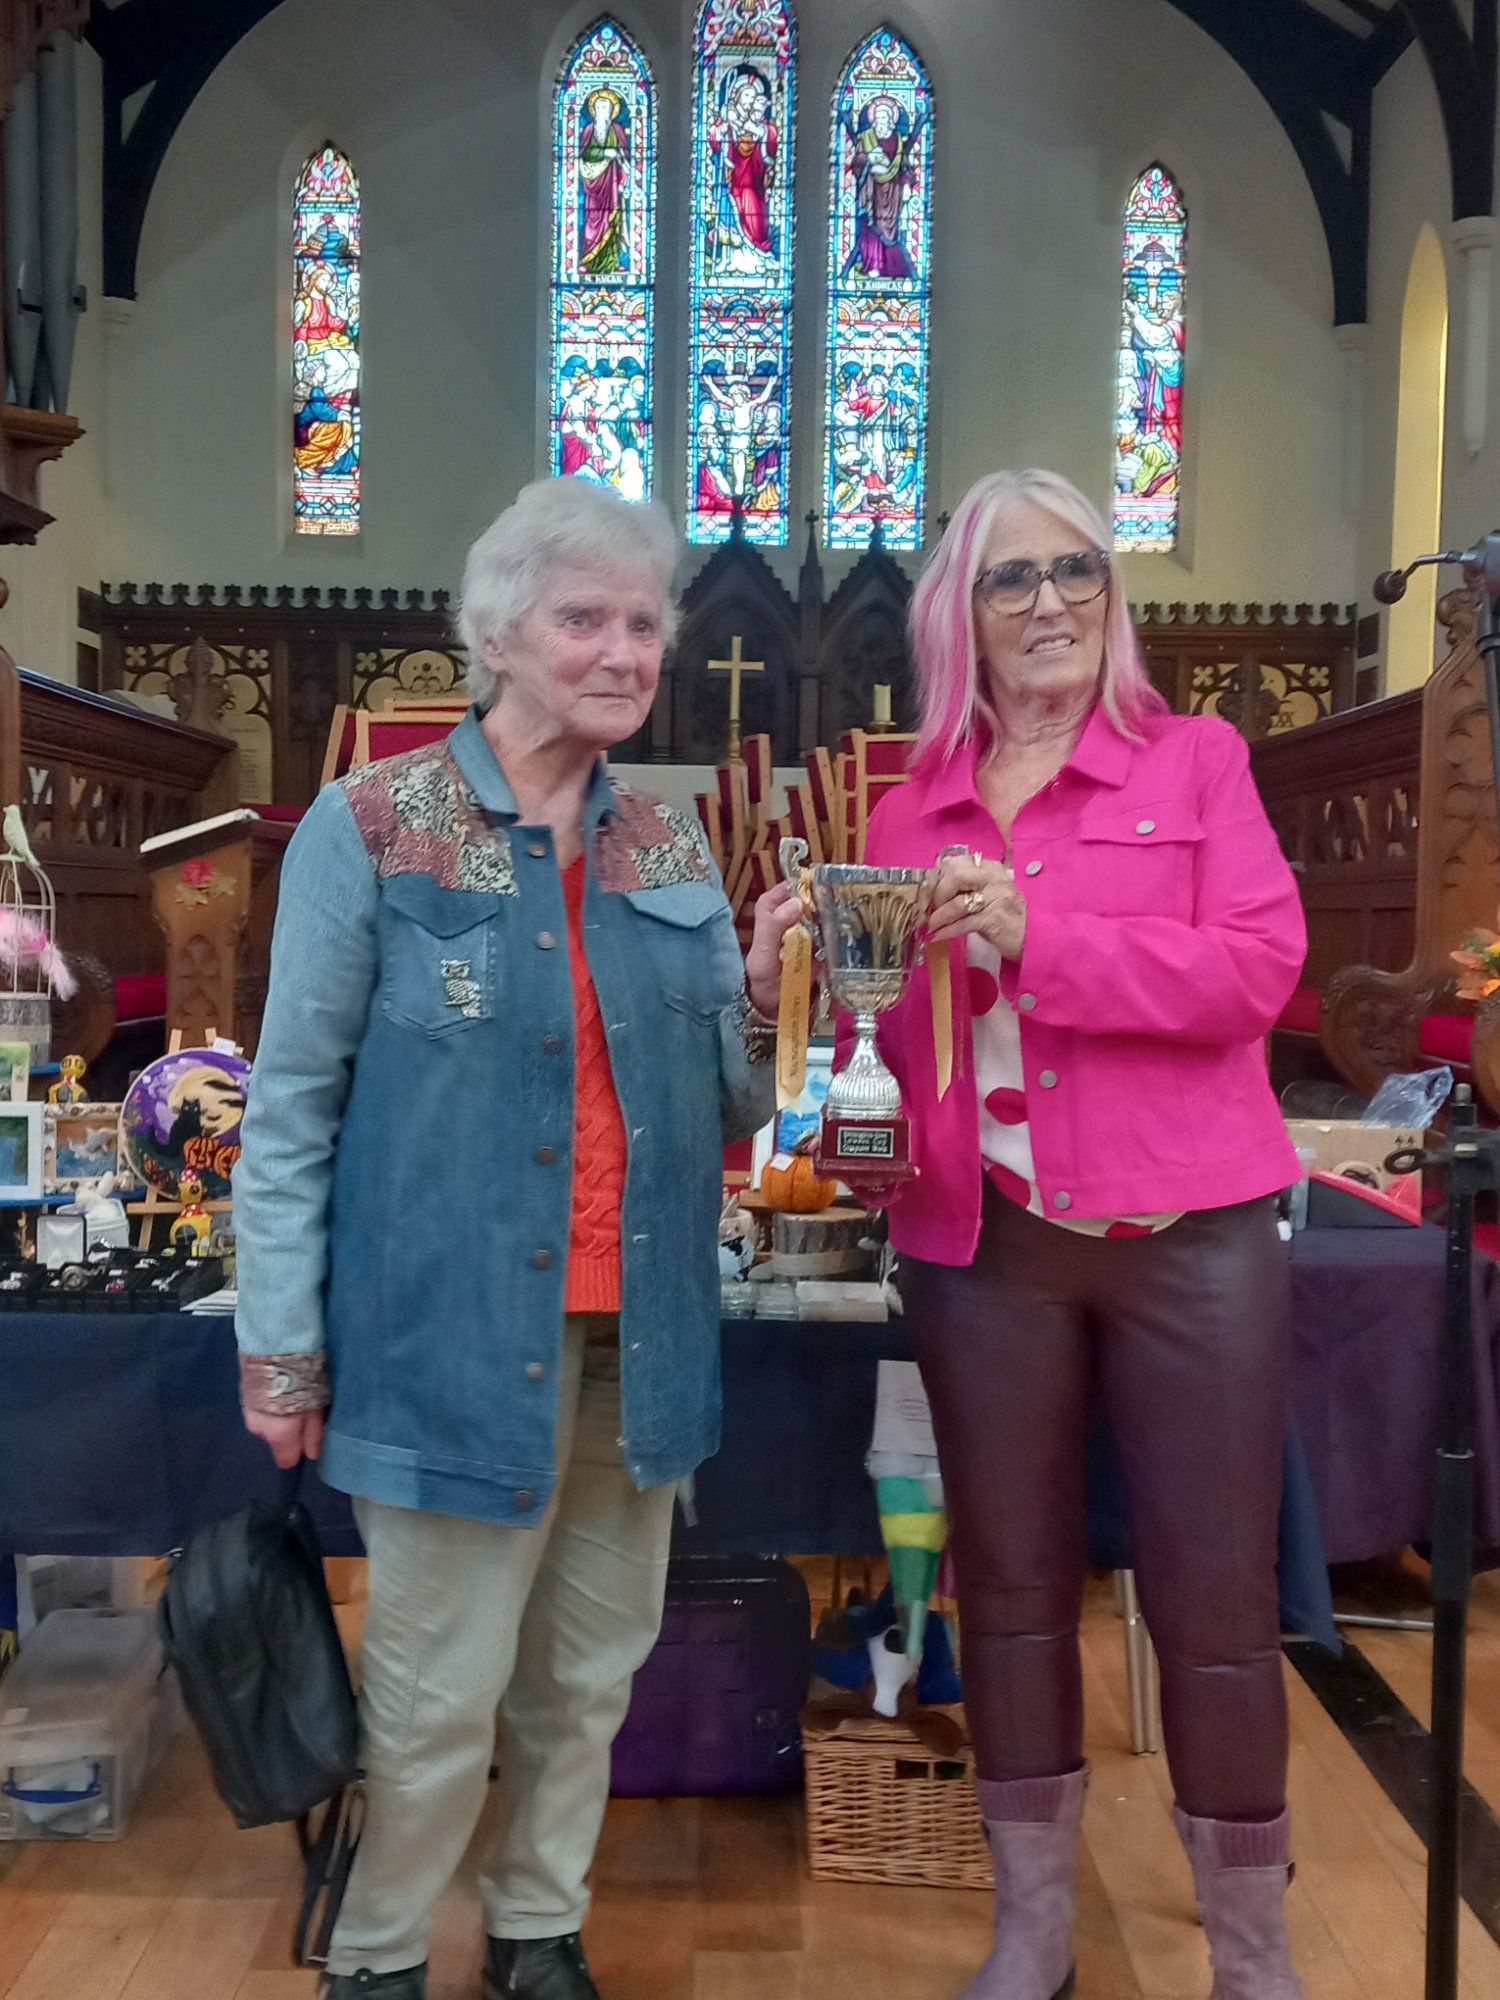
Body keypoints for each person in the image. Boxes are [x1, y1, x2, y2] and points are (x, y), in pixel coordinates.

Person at [232, 476, 800, 2000]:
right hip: (447, 1348)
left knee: (590, 1681)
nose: (626, 650)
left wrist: (756, 980)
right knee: (436, 1695)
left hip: (646, 1342)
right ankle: (380, 1953)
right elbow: (289, 1110)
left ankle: (540, 1925)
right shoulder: (372, 832)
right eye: (585, 619)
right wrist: (280, 1350)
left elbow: (733, 1100)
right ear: (500, 634)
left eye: (644, 621)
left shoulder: (671, 847)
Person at [860, 468, 1307, 2000]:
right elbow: (893, 1054)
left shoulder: (1196, 762)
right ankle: (1033, 1927)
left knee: (1217, 1602)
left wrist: (1043, 941)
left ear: (1112, 602)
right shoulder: (904, 805)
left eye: (1078, 573)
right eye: (1011, 579)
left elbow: (1254, 976)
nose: (1049, 602)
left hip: (1193, 1240)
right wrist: (810, 995)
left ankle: (1252, 1955)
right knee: (1011, 1587)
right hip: (985, 1249)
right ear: (958, 619)